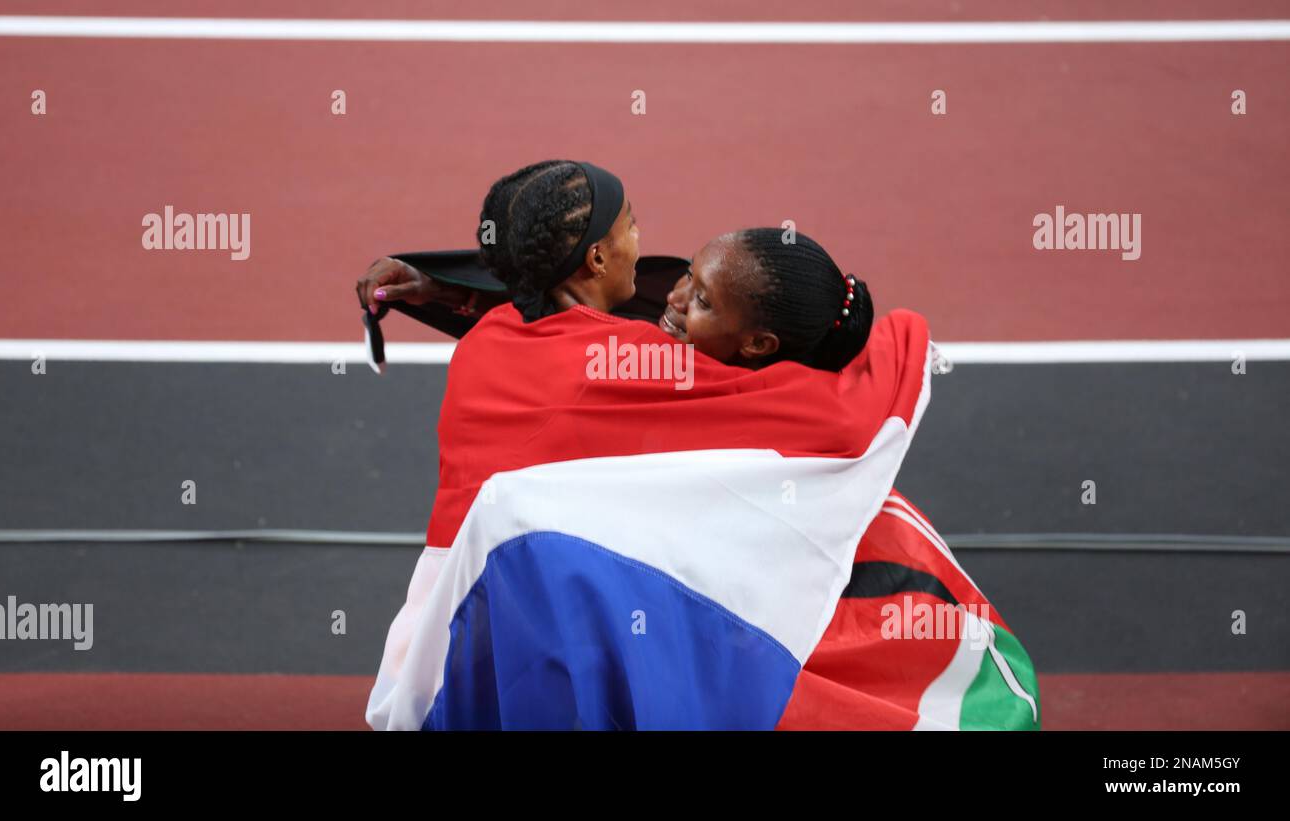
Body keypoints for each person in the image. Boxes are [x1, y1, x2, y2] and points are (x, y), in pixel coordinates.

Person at [363, 160, 1034, 729]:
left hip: (431, 646)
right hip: (501, 638)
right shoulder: (656, 369)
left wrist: (444, 290)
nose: (668, 282)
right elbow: (842, 415)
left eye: (697, 288)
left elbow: (568, 319)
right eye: (631, 227)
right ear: (597, 257)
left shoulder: (488, 343)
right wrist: (890, 333)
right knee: (873, 526)